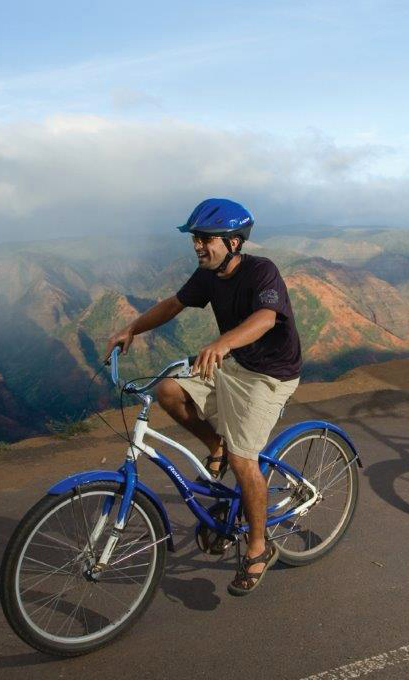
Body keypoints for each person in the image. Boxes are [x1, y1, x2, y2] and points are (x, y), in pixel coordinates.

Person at [105, 198, 302, 596]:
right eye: (195, 239)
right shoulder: (207, 275)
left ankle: (258, 550)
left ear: (233, 242)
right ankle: (216, 444)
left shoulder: (262, 271)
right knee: (168, 390)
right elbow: (173, 305)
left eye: (206, 238)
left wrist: (223, 343)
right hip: (232, 363)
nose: (198, 246)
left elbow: (265, 319)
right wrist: (132, 328)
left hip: (269, 375)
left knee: (247, 462)